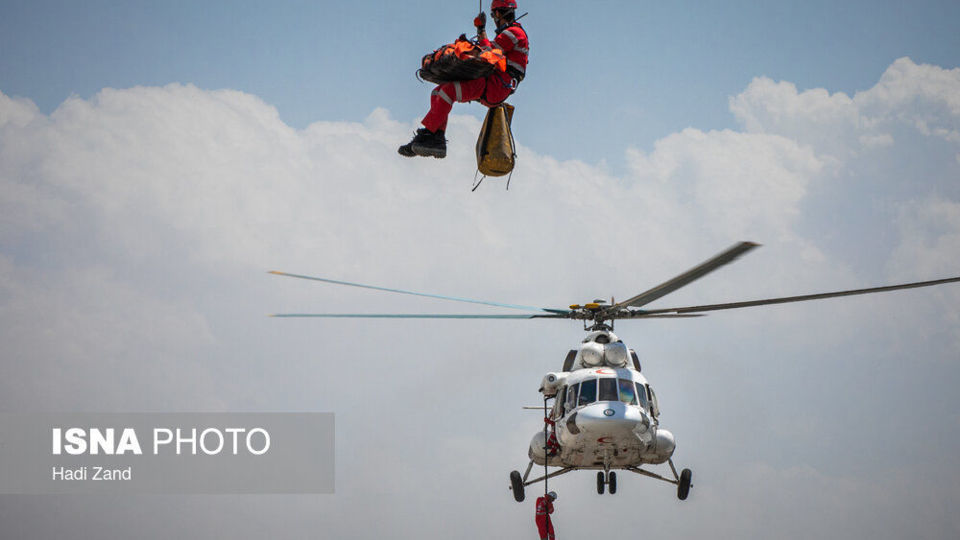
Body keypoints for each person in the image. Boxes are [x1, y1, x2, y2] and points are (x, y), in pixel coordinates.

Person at [399, 0, 529, 159]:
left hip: (496, 86)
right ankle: (435, 137)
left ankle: (429, 135)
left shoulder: (513, 33)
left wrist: (480, 32)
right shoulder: (511, 33)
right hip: (493, 84)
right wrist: (480, 31)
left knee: (448, 91)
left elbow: (489, 53)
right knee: (437, 92)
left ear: (497, 14)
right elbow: (489, 51)